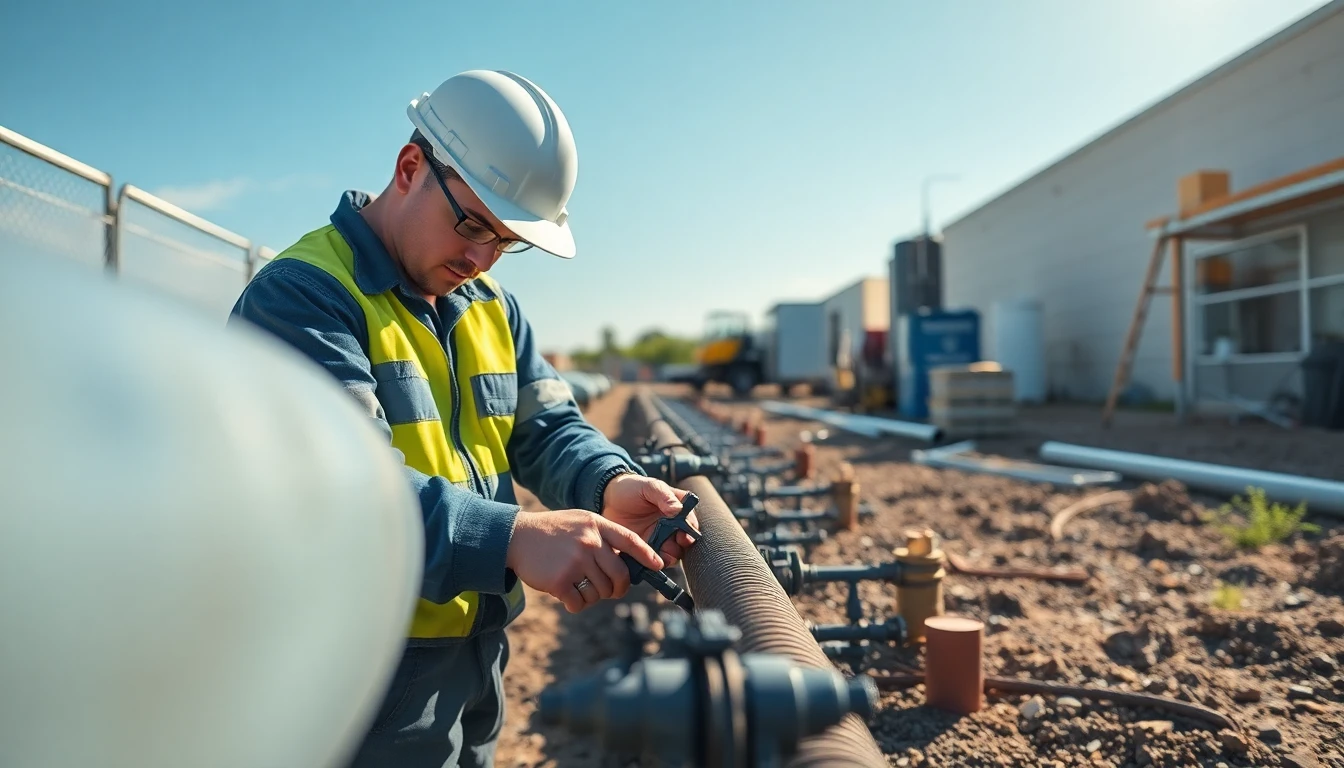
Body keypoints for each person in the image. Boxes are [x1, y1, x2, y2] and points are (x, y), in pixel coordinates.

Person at [228, 69, 700, 768]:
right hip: (354, 665)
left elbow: (544, 426)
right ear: (410, 167)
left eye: (506, 240)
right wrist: (512, 539)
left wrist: (608, 482)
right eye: (473, 223)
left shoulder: (490, 306)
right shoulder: (304, 297)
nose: (481, 258)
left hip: (472, 644)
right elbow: (341, 497)